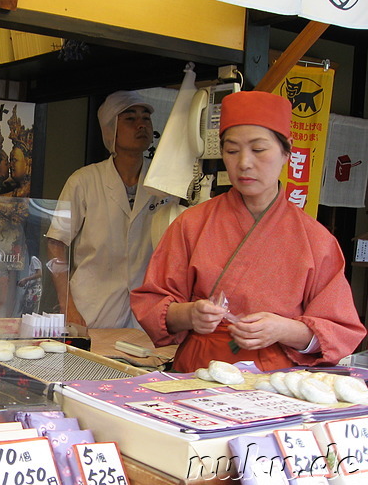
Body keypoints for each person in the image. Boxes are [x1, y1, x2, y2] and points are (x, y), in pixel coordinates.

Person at [131, 90, 366, 372]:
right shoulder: (191, 224)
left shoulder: (316, 239)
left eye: (258, 149)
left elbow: (341, 330)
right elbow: (153, 304)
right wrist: (191, 314)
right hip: (197, 371)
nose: (244, 163)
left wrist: (284, 329)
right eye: (232, 150)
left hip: (275, 381)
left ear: (286, 152)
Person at [46, 90, 172, 328]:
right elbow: (55, 244)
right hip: (90, 308)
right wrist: (67, 305)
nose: (141, 125)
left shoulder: (164, 183)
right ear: (109, 129)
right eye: (130, 118)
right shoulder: (83, 180)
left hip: (145, 310)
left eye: (146, 118)